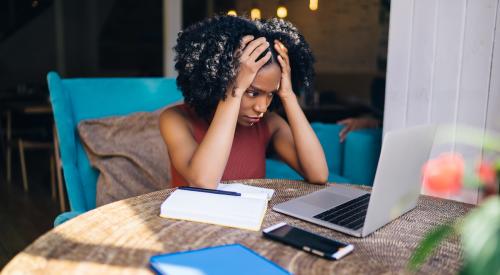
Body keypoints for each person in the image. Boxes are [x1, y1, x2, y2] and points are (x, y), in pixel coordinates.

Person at [159, 15, 328, 189]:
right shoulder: (175, 119)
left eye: (271, 94)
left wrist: (287, 94)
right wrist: (235, 90)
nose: (262, 107)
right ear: (221, 79)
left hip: (250, 216)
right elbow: (203, 182)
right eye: (253, 92)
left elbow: (318, 174)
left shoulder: (269, 124)